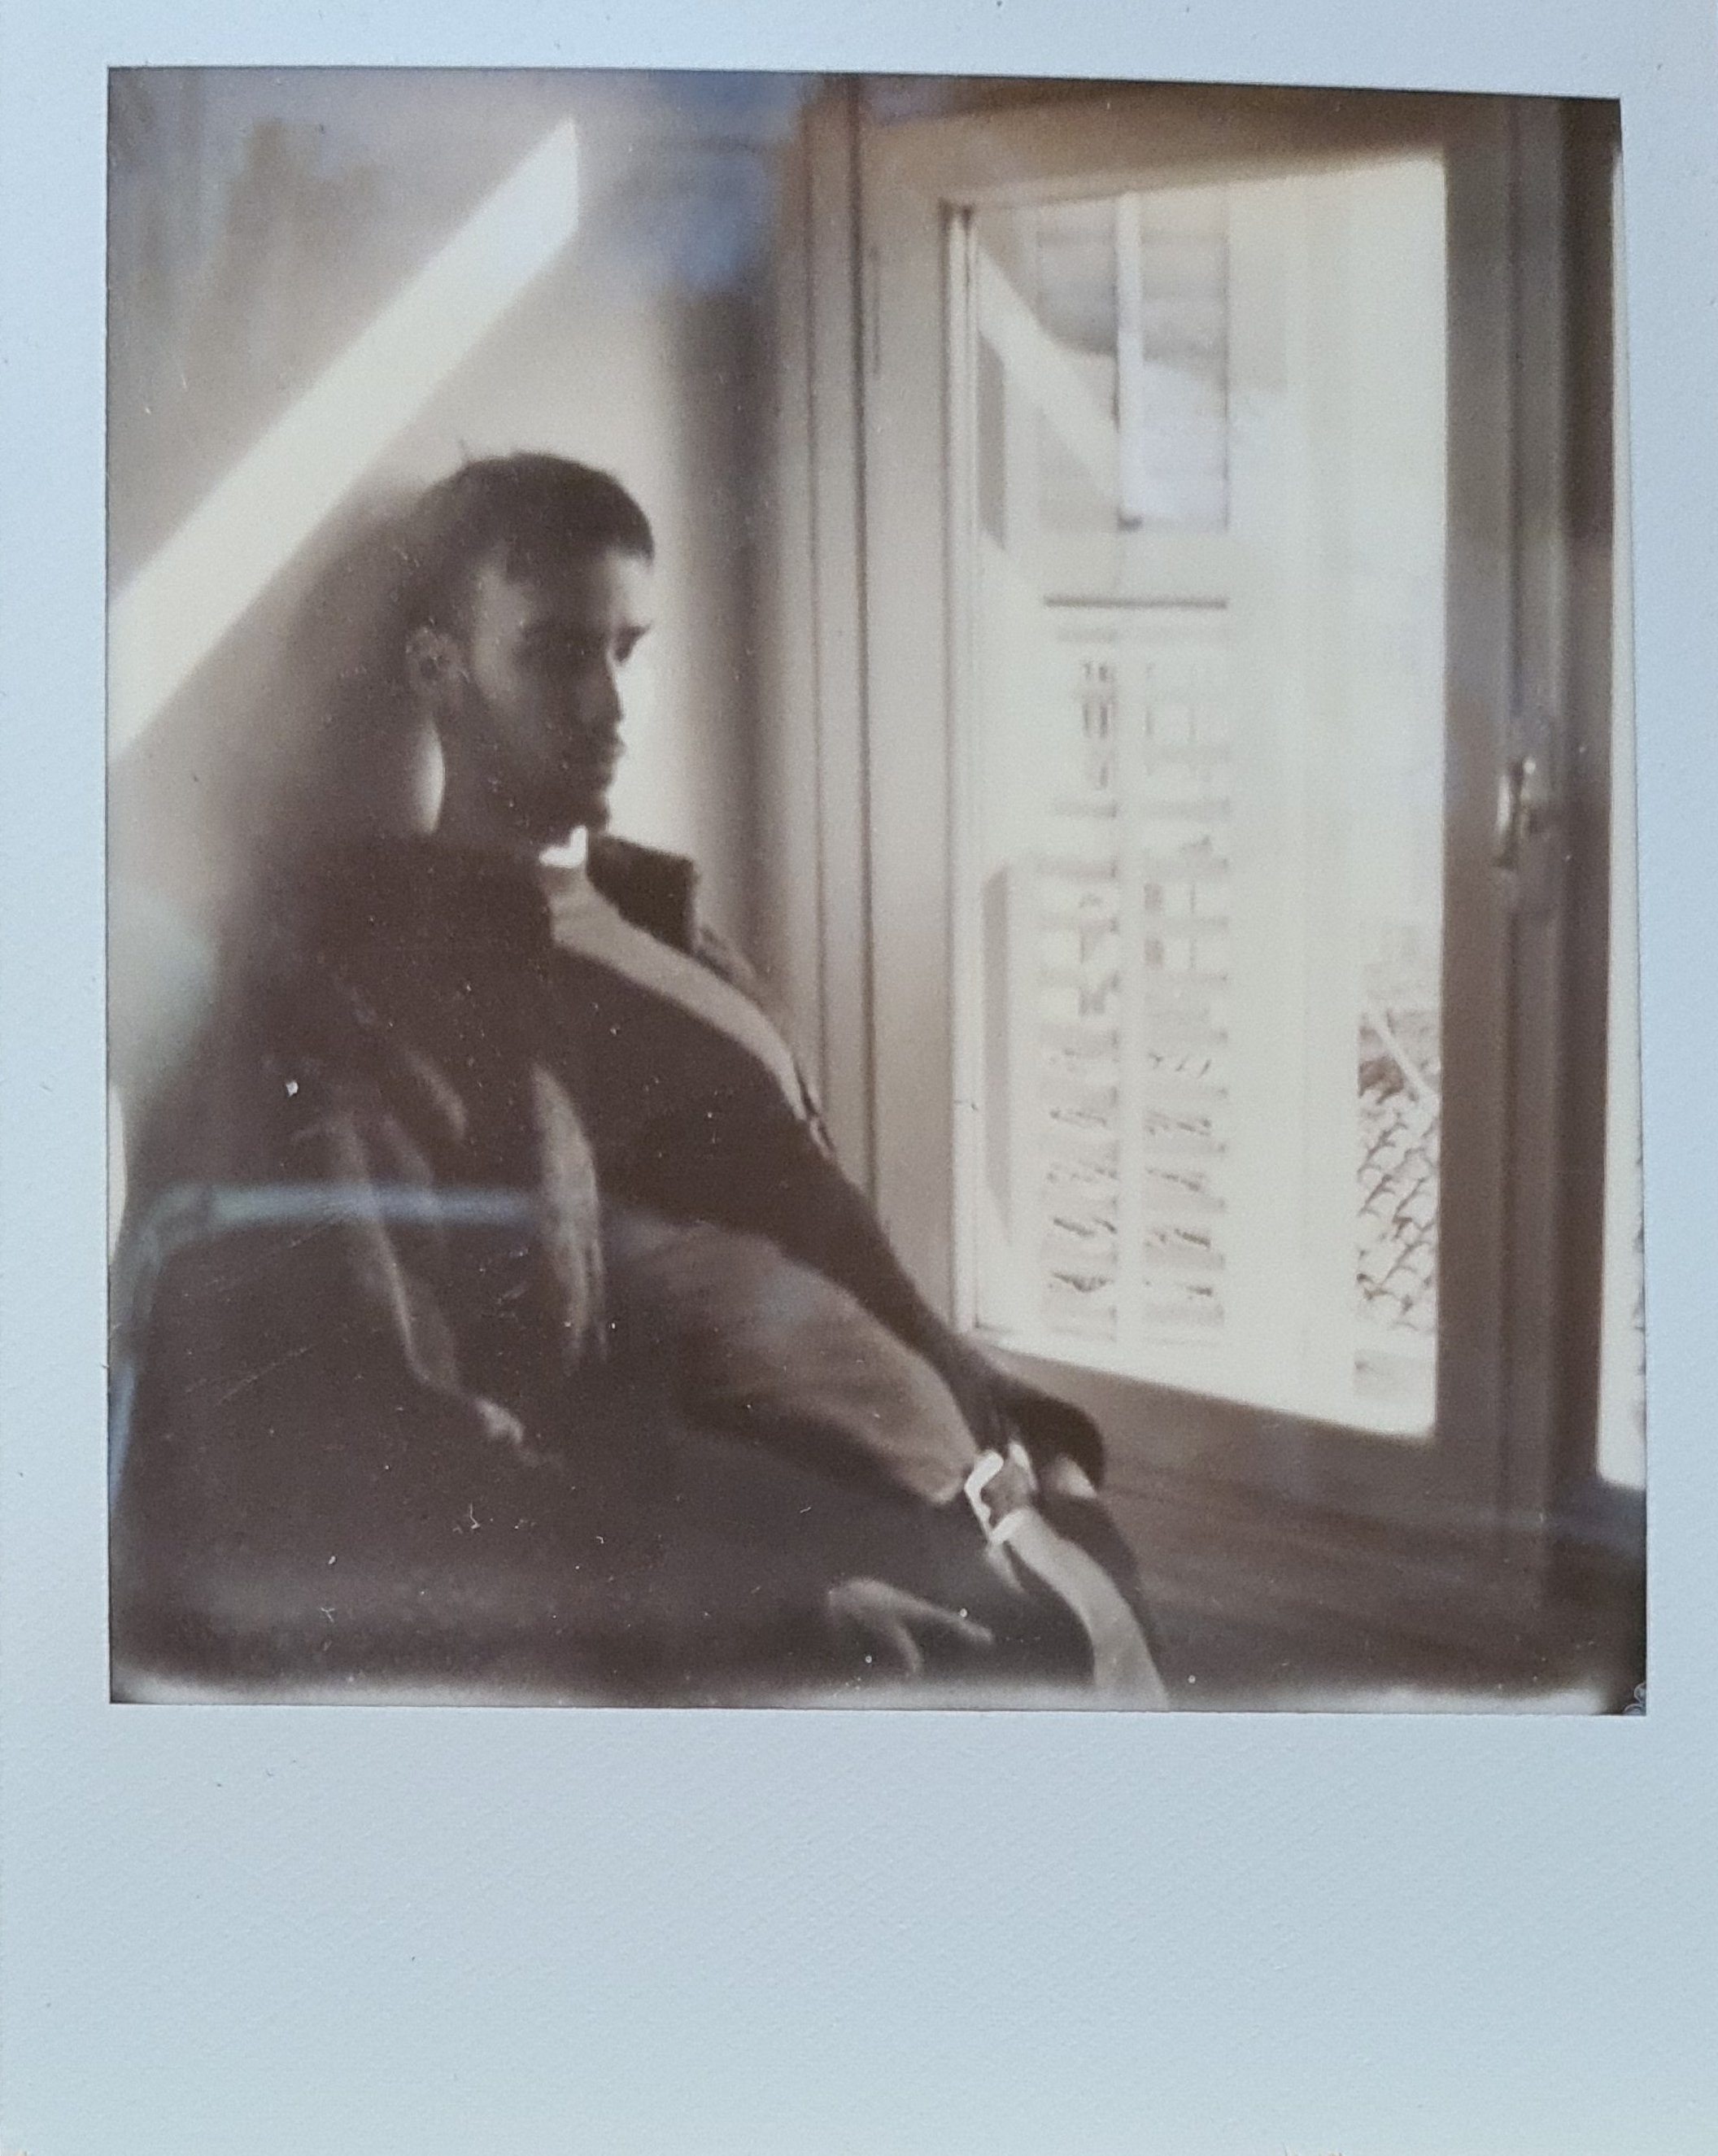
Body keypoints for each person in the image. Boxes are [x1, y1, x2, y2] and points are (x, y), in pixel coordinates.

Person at [111, 454, 1170, 1705]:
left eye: (630, 649)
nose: (611, 703)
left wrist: (1046, 1461)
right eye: (559, 653)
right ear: (440, 669)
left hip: (1032, 1549)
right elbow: (362, 1417)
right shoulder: (371, 991)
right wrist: (764, 1608)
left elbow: (836, 1259)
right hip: (857, 1621)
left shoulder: (677, 943)